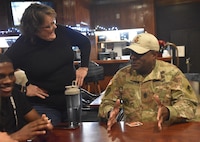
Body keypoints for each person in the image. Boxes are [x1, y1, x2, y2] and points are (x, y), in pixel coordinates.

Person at [4, 3, 91, 126]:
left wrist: (84, 67)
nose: (54, 27)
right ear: (34, 29)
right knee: (50, 135)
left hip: (72, 100)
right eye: (47, 26)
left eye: (53, 22)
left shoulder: (61, 31)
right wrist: (23, 89)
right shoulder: (22, 46)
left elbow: (84, 42)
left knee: (76, 134)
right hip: (44, 105)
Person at [98, 32, 198, 131]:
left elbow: (189, 105)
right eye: (132, 53)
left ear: (154, 54)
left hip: (165, 133)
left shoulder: (172, 74)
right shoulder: (122, 75)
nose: (132, 57)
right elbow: (106, 103)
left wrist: (168, 112)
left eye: (138, 54)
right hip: (132, 134)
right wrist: (110, 112)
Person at [0, 54, 53, 141]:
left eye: (11, 75)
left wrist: (43, 124)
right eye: (1, 76)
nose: (8, 81)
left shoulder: (15, 94)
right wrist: (18, 136)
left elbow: (37, 120)